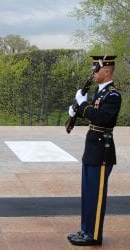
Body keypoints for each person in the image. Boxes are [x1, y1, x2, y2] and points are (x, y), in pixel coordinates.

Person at [67, 55, 121, 246]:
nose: (93, 73)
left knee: (96, 197)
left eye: (96, 70)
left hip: (102, 152)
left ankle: (94, 235)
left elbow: (102, 118)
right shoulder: (100, 93)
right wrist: (77, 110)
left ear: (106, 71)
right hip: (92, 150)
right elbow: (93, 114)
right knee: (88, 193)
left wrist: (82, 105)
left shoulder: (113, 95)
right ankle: (86, 230)